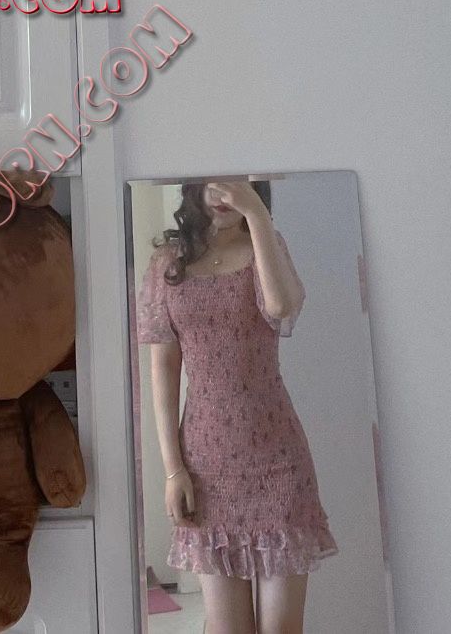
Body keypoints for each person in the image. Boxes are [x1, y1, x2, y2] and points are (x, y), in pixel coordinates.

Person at [136, 180, 338, 634]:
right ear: (192, 184)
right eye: (213, 179)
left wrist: (257, 215)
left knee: (281, 629)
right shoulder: (168, 264)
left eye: (237, 180)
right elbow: (163, 371)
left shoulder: (266, 244)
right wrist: (173, 470)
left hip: (277, 461)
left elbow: (281, 308)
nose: (224, 191)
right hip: (205, 464)